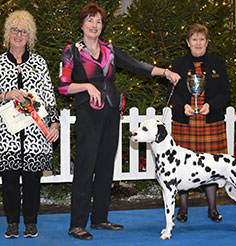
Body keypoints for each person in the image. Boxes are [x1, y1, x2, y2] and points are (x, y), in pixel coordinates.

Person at [58, 2, 180, 240]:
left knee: (105, 167)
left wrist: (165, 72)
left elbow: (137, 65)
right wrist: (86, 86)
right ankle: (77, 224)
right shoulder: (72, 51)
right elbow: (63, 86)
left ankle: (100, 218)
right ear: (82, 23)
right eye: (90, 20)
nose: (95, 25)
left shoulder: (109, 50)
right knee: (85, 168)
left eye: (99, 21)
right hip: (88, 115)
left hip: (111, 113)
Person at [0, 10, 60, 238]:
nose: (18, 34)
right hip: (8, 133)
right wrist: (6, 94)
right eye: (15, 30)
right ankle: (12, 223)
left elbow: (49, 95)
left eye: (23, 31)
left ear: (29, 36)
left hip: (36, 131)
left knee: (33, 179)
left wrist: (54, 123)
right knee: (10, 180)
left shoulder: (39, 62)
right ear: (8, 33)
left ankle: (31, 223)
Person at [168, 23, 231, 223]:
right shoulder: (177, 65)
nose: (198, 43)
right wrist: (182, 106)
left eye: (201, 39)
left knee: (212, 165)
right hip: (185, 122)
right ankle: (183, 208)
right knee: (182, 167)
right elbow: (170, 95)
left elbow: (226, 93)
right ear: (188, 43)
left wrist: (211, 106)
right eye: (194, 39)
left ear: (207, 41)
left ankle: (213, 208)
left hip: (210, 122)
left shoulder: (218, 63)